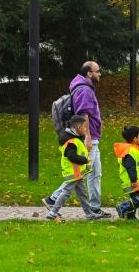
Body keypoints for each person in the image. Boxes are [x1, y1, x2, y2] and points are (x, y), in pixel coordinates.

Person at [43, 61, 109, 218]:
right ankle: (52, 199)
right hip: (89, 139)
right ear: (89, 73)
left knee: (95, 173)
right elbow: (83, 114)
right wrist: (87, 137)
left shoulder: (84, 88)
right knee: (82, 173)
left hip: (93, 138)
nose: (100, 73)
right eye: (97, 71)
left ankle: (94, 206)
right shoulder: (84, 90)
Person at [46, 115, 98, 221]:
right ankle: (53, 212)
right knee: (66, 192)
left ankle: (89, 214)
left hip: (77, 173)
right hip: (73, 173)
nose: (85, 129)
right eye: (84, 127)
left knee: (82, 193)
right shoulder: (72, 142)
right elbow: (72, 156)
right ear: (79, 127)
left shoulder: (74, 139)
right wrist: (84, 160)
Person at [114, 126, 139, 220]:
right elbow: (131, 167)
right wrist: (134, 180)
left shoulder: (133, 148)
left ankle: (130, 216)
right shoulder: (129, 151)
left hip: (137, 181)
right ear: (135, 139)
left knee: (135, 198)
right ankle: (122, 207)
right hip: (134, 181)